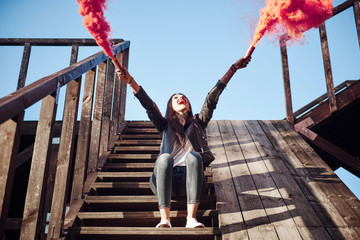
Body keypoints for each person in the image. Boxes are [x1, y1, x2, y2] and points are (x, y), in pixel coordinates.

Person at [116, 55, 251, 228]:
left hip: (192, 180)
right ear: (170, 107)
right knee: (164, 158)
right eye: (176, 98)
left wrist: (232, 68)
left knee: (194, 157)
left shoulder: (198, 122)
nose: (181, 98)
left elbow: (211, 100)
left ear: (189, 105)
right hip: (166, 181)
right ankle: (165, 219)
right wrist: (130, 81)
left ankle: (191, 219)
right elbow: (149, 106)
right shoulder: (164, 124)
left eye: (184, 97)